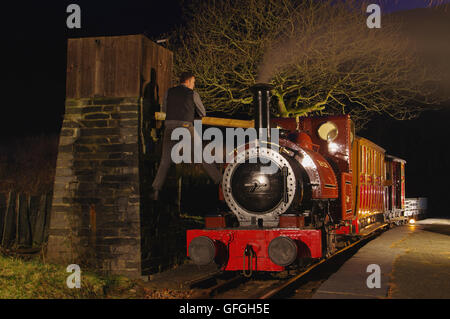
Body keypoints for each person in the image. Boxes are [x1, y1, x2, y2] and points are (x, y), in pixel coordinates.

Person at [150, 72, 222, 201]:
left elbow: (165, 110)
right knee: (202, 155)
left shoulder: (169, 92)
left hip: (170, 127)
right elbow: (202, 112)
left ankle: (155, 190)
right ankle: (220, 180)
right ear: (188, 82)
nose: (194, 85)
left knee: (165, 161)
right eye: (193, 82)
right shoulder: (192, 94)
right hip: (186, 127)